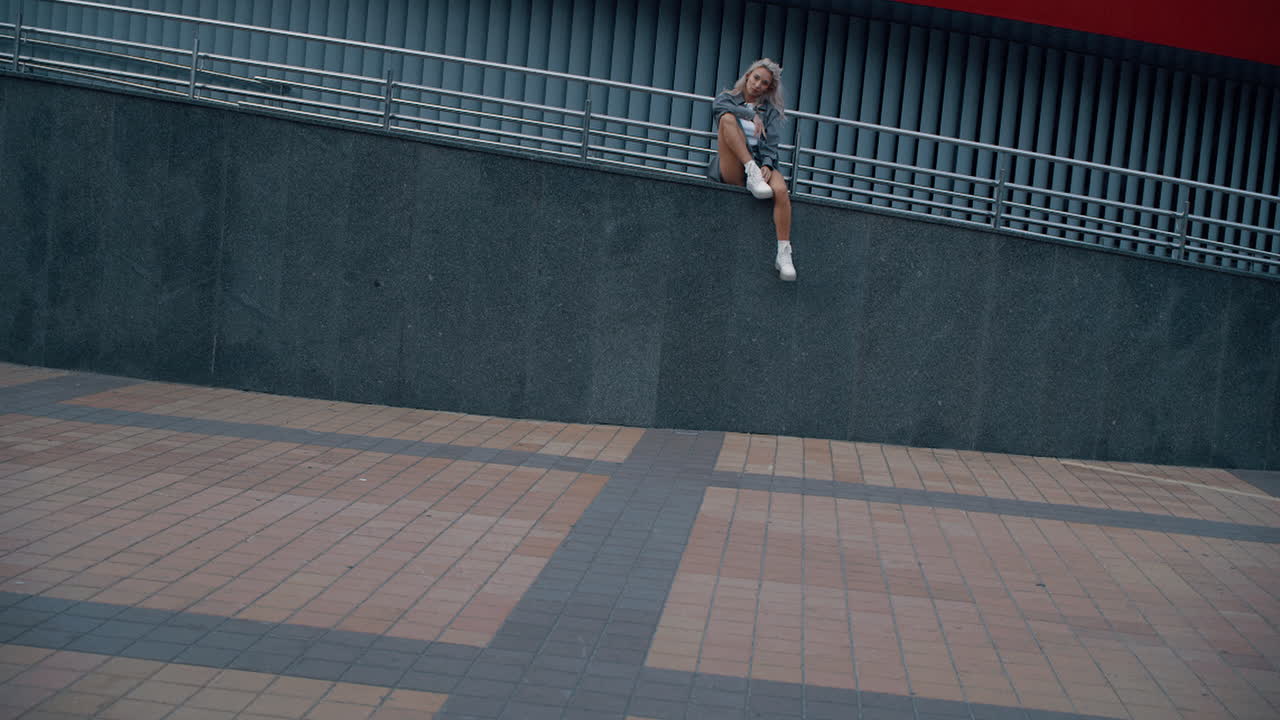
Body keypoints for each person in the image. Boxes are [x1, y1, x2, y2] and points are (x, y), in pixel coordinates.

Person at [708, 58, 795, 281]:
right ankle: (751, 172)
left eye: (764, 83)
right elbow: (717, 107)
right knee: (727, 119)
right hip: (736, 166)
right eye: (756, 78)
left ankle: (783, 254)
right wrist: (751, 115)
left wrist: (766, 164)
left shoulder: (771, 111)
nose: (758, 85)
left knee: (781, 190)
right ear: (748, 76)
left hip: (759, 161)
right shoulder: (729, 98)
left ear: (769, 88)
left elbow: (772, 144)